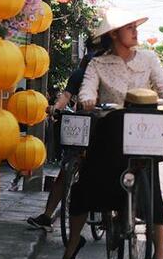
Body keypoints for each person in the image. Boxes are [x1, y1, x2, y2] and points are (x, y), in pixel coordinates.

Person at [62, 8, 163, 259]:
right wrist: (86, 99)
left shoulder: (149, 58)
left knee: (152, 188)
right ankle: (73, 242)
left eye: (135, 26)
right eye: (129, 27)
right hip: (110, 131)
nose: (135, 31)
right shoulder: (98, 64)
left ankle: (160, 257)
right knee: (86, 183)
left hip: (145, 133)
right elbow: (87, 88)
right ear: (114, 34)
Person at [26, 38, 106, 231]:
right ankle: (47, 216)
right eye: (92, 51)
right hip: (82, 125)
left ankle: (110, 213)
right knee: (65, 170)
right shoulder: (79, 74)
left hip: (104, 126)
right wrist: (55, 108)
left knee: (108, 169)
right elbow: (66, 95)